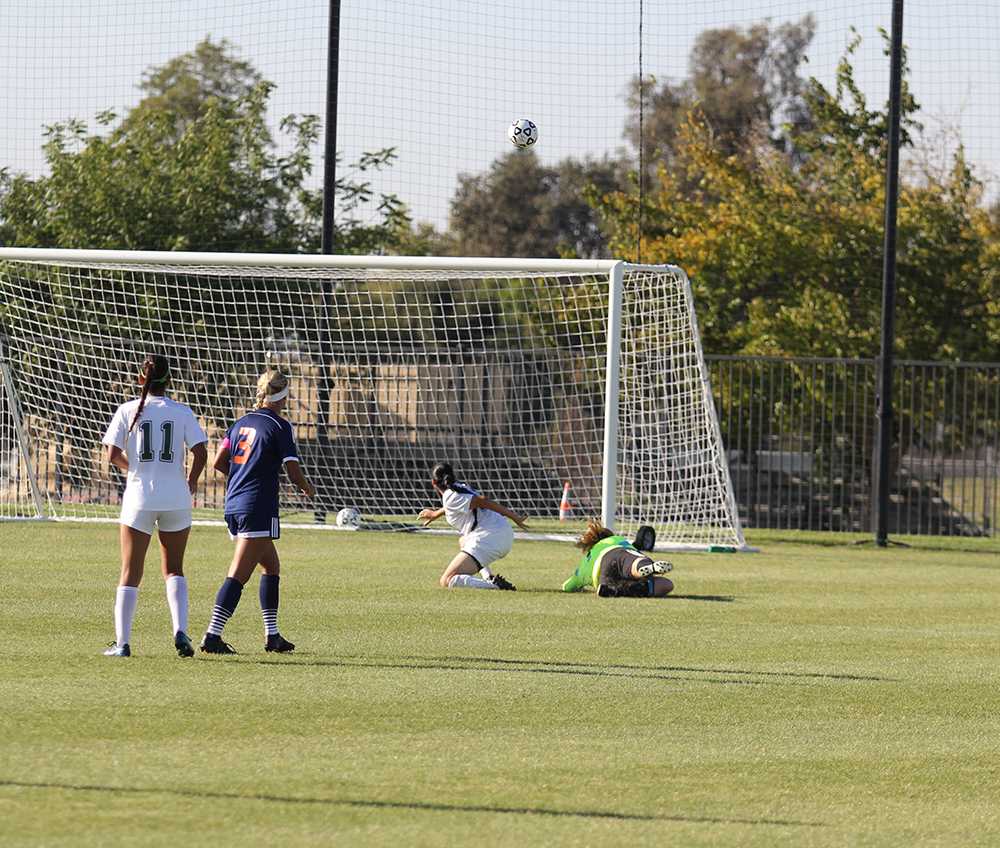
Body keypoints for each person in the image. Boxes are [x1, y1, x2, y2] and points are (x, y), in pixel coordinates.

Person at [200, 369, 316, 655]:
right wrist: (307, 487)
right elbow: (291, 468)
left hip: (235, 504)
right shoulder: (280, 426)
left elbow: (218, 462)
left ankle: (272, 635)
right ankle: (212, 635)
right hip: (257, 506)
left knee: (271, 567)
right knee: (238, 574)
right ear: (283, 395)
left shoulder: (239, 423)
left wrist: (243, 475)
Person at [101, 354, 208, 657]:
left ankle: (122, 644)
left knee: (130, 572)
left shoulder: (127, 410)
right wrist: (191, 481)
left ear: (140, 379)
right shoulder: (182, 411)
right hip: (176, 498)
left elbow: (111, 455)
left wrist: (134, 468)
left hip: (140, 498)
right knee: (174, 569)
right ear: (169, 380)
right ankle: (181, 631)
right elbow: (201, 452)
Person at [418, 462, 527, 590]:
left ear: (433, 483)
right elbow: (457, 505)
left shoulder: (451, 496)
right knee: (463, 540)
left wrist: (514, 517)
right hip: (499, 533)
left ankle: (495, 586)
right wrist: (435, 513)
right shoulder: (457, 487)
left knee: (447, 580)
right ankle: (489, 577)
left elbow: (482, 501)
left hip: (491, 537)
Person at [562, 518, 674, 597]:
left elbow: (567, 586)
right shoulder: (616, 539)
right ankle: (646, 566)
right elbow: (631, 552)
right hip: (616, 556)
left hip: (602, 575)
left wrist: (577, 586)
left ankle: (616, 590)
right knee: (666, 584)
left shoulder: (586, 562)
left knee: (663, 585)